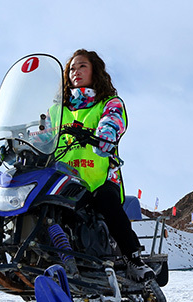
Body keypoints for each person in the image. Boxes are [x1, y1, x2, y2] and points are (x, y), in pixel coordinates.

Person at [55, 49, 154, 281]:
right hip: (64, 181)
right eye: (71, 68)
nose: (75, 72)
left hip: (100, 179)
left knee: (108, 202)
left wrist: (105, 134)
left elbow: (113, 120)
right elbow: (41, 132)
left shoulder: (109, 103)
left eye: (82, 66)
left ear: (95, 71)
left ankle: (133, 259)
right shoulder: (56, 109)